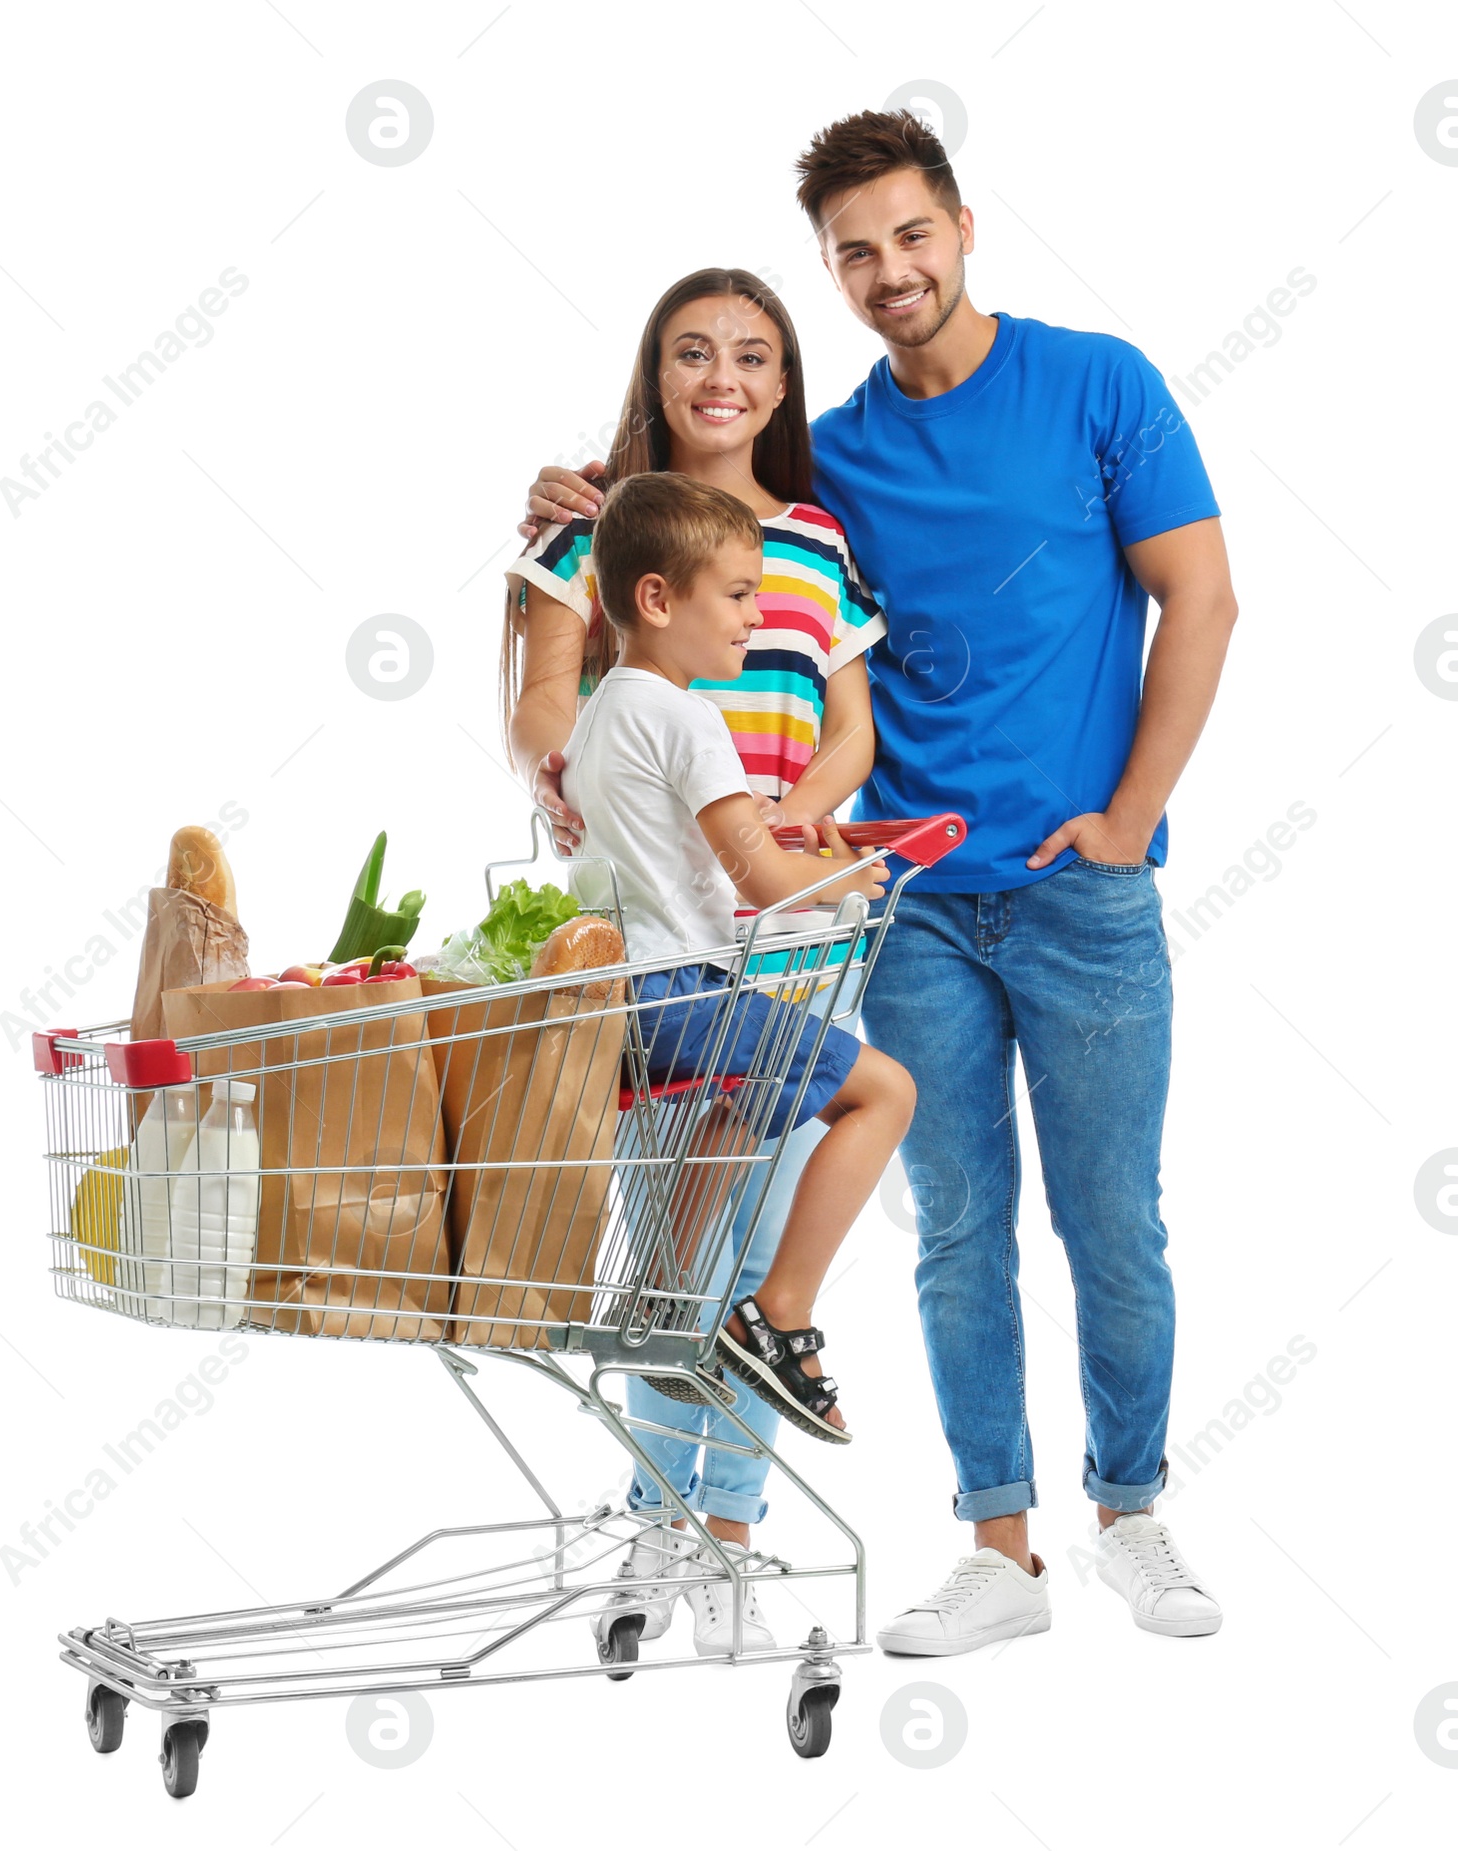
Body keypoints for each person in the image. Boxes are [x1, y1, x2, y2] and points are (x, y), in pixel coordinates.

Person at [518, 111, 1239, 1650]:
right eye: (856, 251)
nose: (889, 270)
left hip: (1074, 892)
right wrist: (579, 500)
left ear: (962, 226)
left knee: (1114, 1217)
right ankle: (1000, 1549)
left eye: (910, 235)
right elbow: (688, 521)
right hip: (893, 913)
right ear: (832, 272)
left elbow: (1203, 595)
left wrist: (1129, 814)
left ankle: (1134, 1512)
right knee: (957, 1226)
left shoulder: (1097, 384)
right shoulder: (829, 463)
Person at [501, 269, 887, 1657]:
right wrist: (563, 762)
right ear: (656, 371)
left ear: (785, 386)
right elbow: (545, 689)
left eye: (753, 355)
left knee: (753, 1236)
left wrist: (800, 821)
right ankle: (669, 1519)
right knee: (680, 1242)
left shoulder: (821, 540)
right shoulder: (596, 515)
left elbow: (847, 721)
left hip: (797, 929)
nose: (721, 376)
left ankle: (716, 1530)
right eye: (691, 352)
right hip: (663, 932)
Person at [559, 469, 915, 1626]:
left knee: (738, 1108)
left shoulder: (609, 706)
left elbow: (696, 861)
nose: (757, 622)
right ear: (658, 599)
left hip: (626, 1005)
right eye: (739, 599)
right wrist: (857, 877)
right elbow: (759, 880)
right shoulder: (690, 716)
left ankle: (674, 1291)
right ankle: (781, 1313)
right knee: (882, 1094)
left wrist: (804, 859)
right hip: (682, 991)